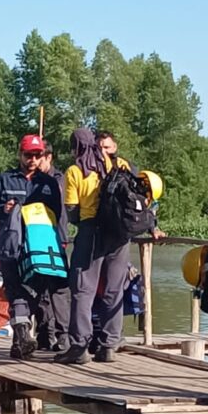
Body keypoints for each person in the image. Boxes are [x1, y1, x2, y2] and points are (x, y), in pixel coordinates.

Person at [55, 128, 151, 365]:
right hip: (119, 234)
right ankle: (109, 345)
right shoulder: (117, 165)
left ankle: (79, 347)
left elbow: (73, 212)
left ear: (76, 147)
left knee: (82, 289)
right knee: (113, 289)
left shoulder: (76, 171)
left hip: (91, 232)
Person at [0, 134, 67, 359]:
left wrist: (61, 241)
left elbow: (59, 216)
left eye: (37, 155)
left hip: (38, 248)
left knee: (34, 293)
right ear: (20, 154)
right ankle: (22, 336)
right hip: (11, 246)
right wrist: (4, 208)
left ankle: (20, 341)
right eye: (28, 155)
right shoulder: (4, 179)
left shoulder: (49, 183)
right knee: (14, 289)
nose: (33, 159)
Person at [35, 140, 72, 351]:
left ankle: (63, 335)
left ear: (48, 157)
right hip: (37, 242)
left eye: (39, 157)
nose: (35, 162)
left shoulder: (59, 181)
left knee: (58, 290)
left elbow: (63, 212)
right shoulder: (34, 180)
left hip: (56, 240)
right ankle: (44, 334)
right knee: (40, 292)